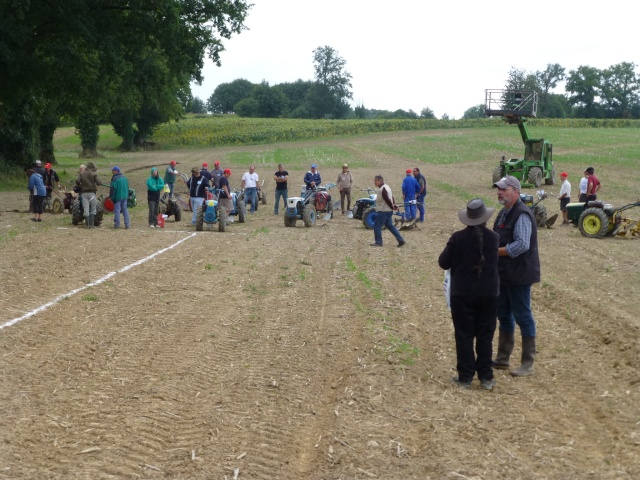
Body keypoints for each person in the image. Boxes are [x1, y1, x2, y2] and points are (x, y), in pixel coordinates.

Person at [438, 199, 500, 390]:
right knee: (485, 335)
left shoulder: (457, 238)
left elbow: (443, 262)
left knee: (464, 335)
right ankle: (486, 376)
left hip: (462, 293)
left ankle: (465, 376)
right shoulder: (495, 238)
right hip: (489, 293)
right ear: (485, 218)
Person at [492, 175, 540, 377]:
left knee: (523, 316)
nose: (500, 192)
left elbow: (522, 245)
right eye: (499, 189)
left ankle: (527, 363)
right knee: (503, 314)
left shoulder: (521, 214)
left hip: (519, 273)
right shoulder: (504, 213)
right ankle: (503, 359)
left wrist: (496, 252)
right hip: (504, 273)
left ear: (516, 192)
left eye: (504, 189)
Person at [370, 175, 405, 248]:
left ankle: (378, 242)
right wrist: (393, 205)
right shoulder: (387, 187)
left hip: (383, 211)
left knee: (377, 226)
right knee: (390, 226)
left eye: (376, 180)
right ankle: (401, 240)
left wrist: (392, 206)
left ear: (380, 181)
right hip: (388, 211)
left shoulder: (382, 189)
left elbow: (387, 199)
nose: (375, 182)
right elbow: (392, 197)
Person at [76, 161, 101, 228]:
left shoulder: (82, 174)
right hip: (92, 193)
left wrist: (80, 184)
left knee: (86, 208)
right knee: (93, 209)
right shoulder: (94, 174)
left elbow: (77, 181)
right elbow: (99, 182)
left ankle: (87, 225)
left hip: (84, 193)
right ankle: (91, 225)